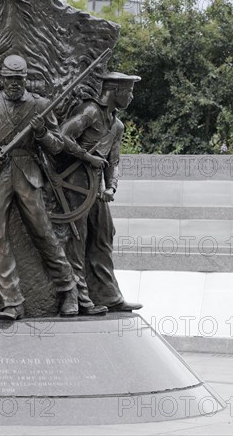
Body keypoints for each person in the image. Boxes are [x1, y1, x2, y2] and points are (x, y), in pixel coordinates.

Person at [0, 54, 78, 320]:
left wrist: (41, 132)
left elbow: (56, 146)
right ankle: (11, 301)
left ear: (25, 79)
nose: (14, 84)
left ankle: (69, 289)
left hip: (27, 173)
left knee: (43, 232)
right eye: (9, 79)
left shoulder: (40, 105)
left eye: (19, 79)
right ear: (2, 78)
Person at [59, 71, 143, 312]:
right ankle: (80, 299)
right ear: (115, 91)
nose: (131, 97)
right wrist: (86, 156)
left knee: (104, 235)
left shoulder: (117, 125)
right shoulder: (90, 112)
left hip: (97, 187)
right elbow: (63, 135)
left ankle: (108, 295)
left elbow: (113, 161)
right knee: (78, 238)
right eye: (129, 91)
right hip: (75, 184)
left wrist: (112, 187)